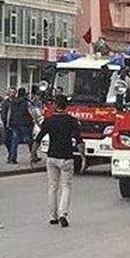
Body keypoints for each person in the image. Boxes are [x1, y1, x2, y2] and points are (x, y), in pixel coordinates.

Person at [34, 95, 82, 226]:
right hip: (67, 157)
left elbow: (38, 138)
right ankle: (63, 213)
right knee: (66, 186)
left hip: (52, 157)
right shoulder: (72, 121)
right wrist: (83, 157)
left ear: (55, 105)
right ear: (66, 106)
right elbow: (79, 141)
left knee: (52, 187)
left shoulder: (49, 121)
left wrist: (33, 154)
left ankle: (52, 216)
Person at [4, 88, 34, 164]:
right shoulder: (26, 102)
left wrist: (9, 123)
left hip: (15, 124)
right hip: (25, 124)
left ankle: (12, 158)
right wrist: (33, 120)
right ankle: (34, 156)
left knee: (14, 142)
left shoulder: (13, 101)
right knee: (29, 141)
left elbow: (10, 113)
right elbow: (31, 112)